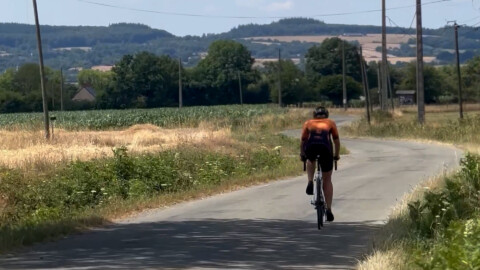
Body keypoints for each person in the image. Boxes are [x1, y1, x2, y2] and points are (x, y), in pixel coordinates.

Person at [300, 106, 340, 222]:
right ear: (326, 115)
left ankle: (310, 181)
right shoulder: (330, 123)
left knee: (310, 159)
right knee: (327, 180)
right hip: (325, 149)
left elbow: (303, 141)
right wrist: (336, 155)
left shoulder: (308, 123)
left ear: (314, 115)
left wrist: (302, 154)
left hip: (311, 147)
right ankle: (328, 209)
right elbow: (336, 141)